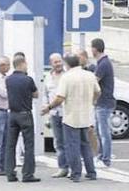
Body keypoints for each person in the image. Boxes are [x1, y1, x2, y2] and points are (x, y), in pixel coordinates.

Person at [42, 54, 99, 183]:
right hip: (85, 115)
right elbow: (98, 91)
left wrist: (49, 107)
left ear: (67, 64)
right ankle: (91, 172)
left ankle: (76, 173)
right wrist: (91, 102)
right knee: (85, 144)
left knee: (72, 145)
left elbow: (60, 98)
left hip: (71, 116)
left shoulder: (66, 77)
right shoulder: (89, 75)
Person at [4, 54, 39, 182]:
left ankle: (10, 173)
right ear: (22, 64)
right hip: (25, 114)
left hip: (12, 114)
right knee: (28, 144)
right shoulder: (28, 79)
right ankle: (28, 174)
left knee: (10, 145)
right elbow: (36, 94)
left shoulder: (8, 79)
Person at [91, 38, 115, 168]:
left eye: (92, 48)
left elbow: (94, 81)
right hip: (101, 102)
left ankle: (106, 159)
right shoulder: (102, 63)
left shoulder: (103, 64)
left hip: (104, 102)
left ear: (95, 48)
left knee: (104, 132)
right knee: (99, 131)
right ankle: (101, 156)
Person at [44, 53, 68, 178]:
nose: (58, 64)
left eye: (60, 61)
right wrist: (47, 108)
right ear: (51, 63)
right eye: (55, 62)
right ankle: (62, 167)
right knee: (58, 142)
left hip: (67, 113)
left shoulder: (67, 75)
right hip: (54, 113)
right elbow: (45, 94)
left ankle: (72, 167)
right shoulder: (48, 77)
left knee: (69, 141)